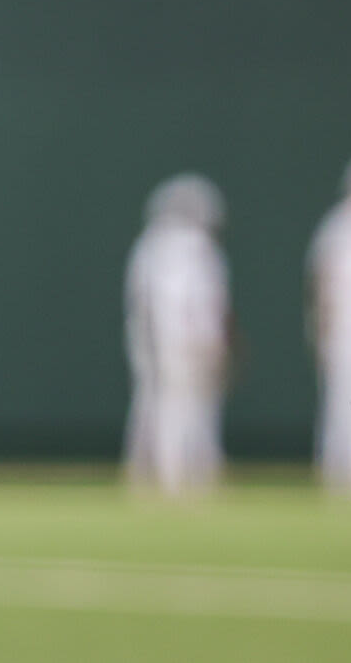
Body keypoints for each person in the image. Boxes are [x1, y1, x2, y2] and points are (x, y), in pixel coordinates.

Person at [123, 173, 229, 494]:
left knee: (156, 404)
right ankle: (179, 474)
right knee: (181, 406)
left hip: (151, 341)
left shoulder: (147, 246)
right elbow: (196, 304)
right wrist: (210, 342)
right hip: (181, 341)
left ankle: (154, 471)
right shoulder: (193, 247)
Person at [308, 158, 351, 494]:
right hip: (345, 328)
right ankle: (338, 473)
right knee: (342, 402)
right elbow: (321, 285)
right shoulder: (337, 227)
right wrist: (322, 329)